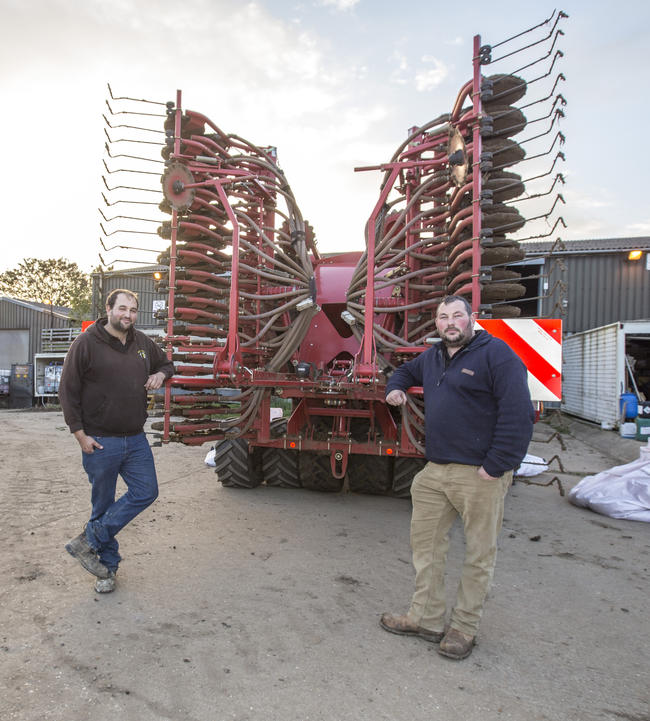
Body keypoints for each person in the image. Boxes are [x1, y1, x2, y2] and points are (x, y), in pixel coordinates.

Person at [380, 294, 534, 660]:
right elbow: (404, 371)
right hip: (436, 470)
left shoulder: (498, 355)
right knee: (426, 547)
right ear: (436, 323)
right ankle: (426, 619)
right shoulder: (433, 356)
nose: (450, 323)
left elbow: (518, 414)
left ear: (472, 318)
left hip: (480, 475)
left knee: (478, 554)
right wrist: (394, 388)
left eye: (457, 316)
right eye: (443, 317)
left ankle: (463, 628)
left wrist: (496, 465)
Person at [59, 289, 174, 593]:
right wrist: (79, 434)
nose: (128, 315)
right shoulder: (86, 343)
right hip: (100, 441)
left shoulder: (142, 342)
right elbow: (67, 390)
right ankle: (107, 571)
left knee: (146, 491)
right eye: (122, 308)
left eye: (133, 310)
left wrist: (161, 375)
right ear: (108, 309)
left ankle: (89, 540)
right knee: (103, 505)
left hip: (135, 439)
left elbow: (167, 364)